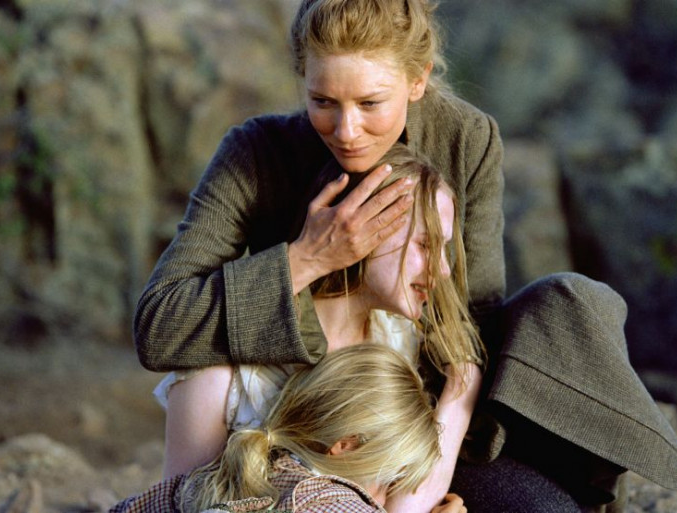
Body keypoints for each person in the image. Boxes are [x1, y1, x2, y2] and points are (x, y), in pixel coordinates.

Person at [134, 0, 677, 510]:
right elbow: (159, 326)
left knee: (567, 308)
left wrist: (429, 451)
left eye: (371, 103)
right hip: (303, 409)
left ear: (417, 79)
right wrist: (308, 258)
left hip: (420, 412)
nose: (346, 131)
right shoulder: (257, 152)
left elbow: (473, 316)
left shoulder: (465, 139)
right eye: (322, 102)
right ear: (302, 79)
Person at [155, 144, 483, 513]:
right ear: (362, 226)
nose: (442, 270)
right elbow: (174, 506)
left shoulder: (398, 341)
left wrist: (460, 394)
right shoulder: (220, 371)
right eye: (425, 244)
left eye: (444, 249)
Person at [112, 344, 467, 512]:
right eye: (388, 480)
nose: (386, 499)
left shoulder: (212, 477)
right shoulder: (334, 503)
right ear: (345, 446)